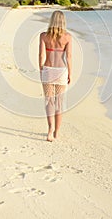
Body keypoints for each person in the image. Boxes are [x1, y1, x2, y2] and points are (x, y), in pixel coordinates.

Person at [39, 10, 72, 142]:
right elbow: (69, 56)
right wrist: (70, 73)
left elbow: (41, 55)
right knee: (59, 102)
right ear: (63, 21)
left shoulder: (43, 36)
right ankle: (57, 132)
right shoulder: (67, 37)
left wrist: (41, 69)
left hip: (48, 69)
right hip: (61, 71)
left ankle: (50, 129)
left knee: (49, 101)